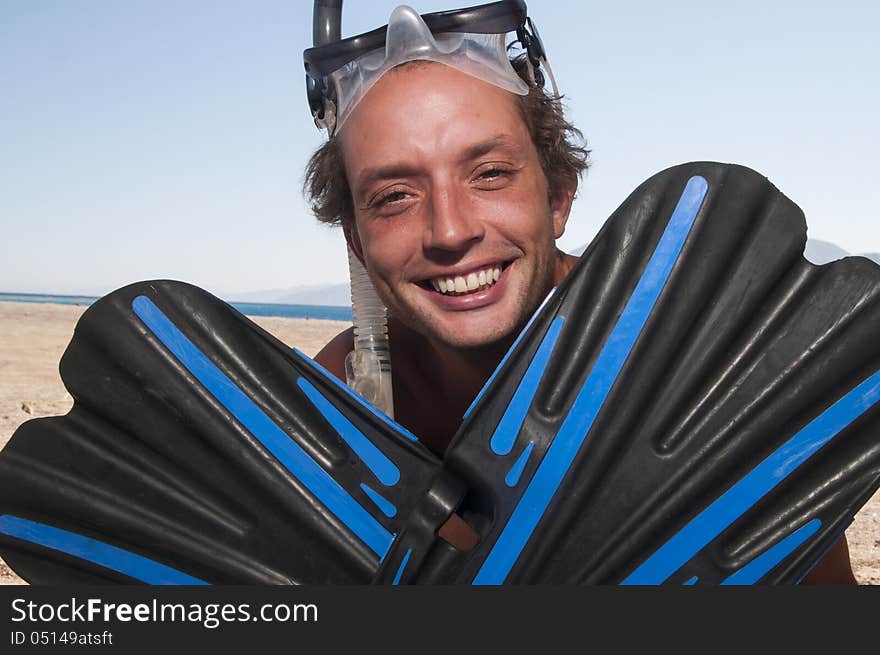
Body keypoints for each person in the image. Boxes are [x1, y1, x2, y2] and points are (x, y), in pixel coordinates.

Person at [302, 1, 856, 583]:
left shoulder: (689, 362)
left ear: (559, 194)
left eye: (489, 174)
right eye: (394, 196)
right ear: (358, 244)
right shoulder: (351, 392)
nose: (450, 230)